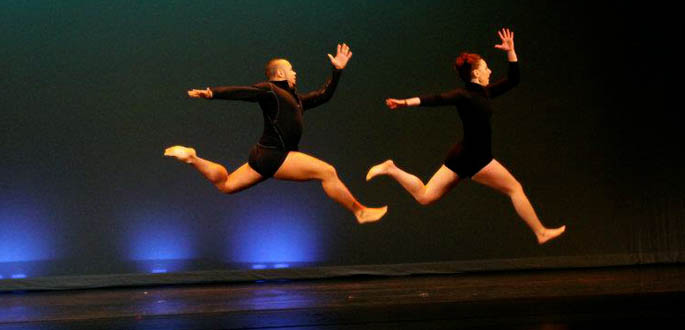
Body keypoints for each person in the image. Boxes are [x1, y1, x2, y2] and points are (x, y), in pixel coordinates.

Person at [367, 29, 565, 243]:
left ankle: (391, 168)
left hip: (462, 155)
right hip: (476, 158)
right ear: (476, 73)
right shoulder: (464, 95)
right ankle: (540, 232)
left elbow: (513, 79)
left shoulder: (486, 92)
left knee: (424, 196)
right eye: (486, 67)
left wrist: (511, 51)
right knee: (514, 188)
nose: (489, 70)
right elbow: (436, 99)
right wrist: (405, 102)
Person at [165, 43, 387, 223]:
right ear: (280, 72)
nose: (295, 72)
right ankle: (360, 211)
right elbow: (245, 92)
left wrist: (337, 71)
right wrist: (213, 93)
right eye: (291, 69)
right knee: (327, 172)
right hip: (276, 155)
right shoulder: (271, 91)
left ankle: (193, 158)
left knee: (226, 185)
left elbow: (324, 95)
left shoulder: (296, 99)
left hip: (263, 154)